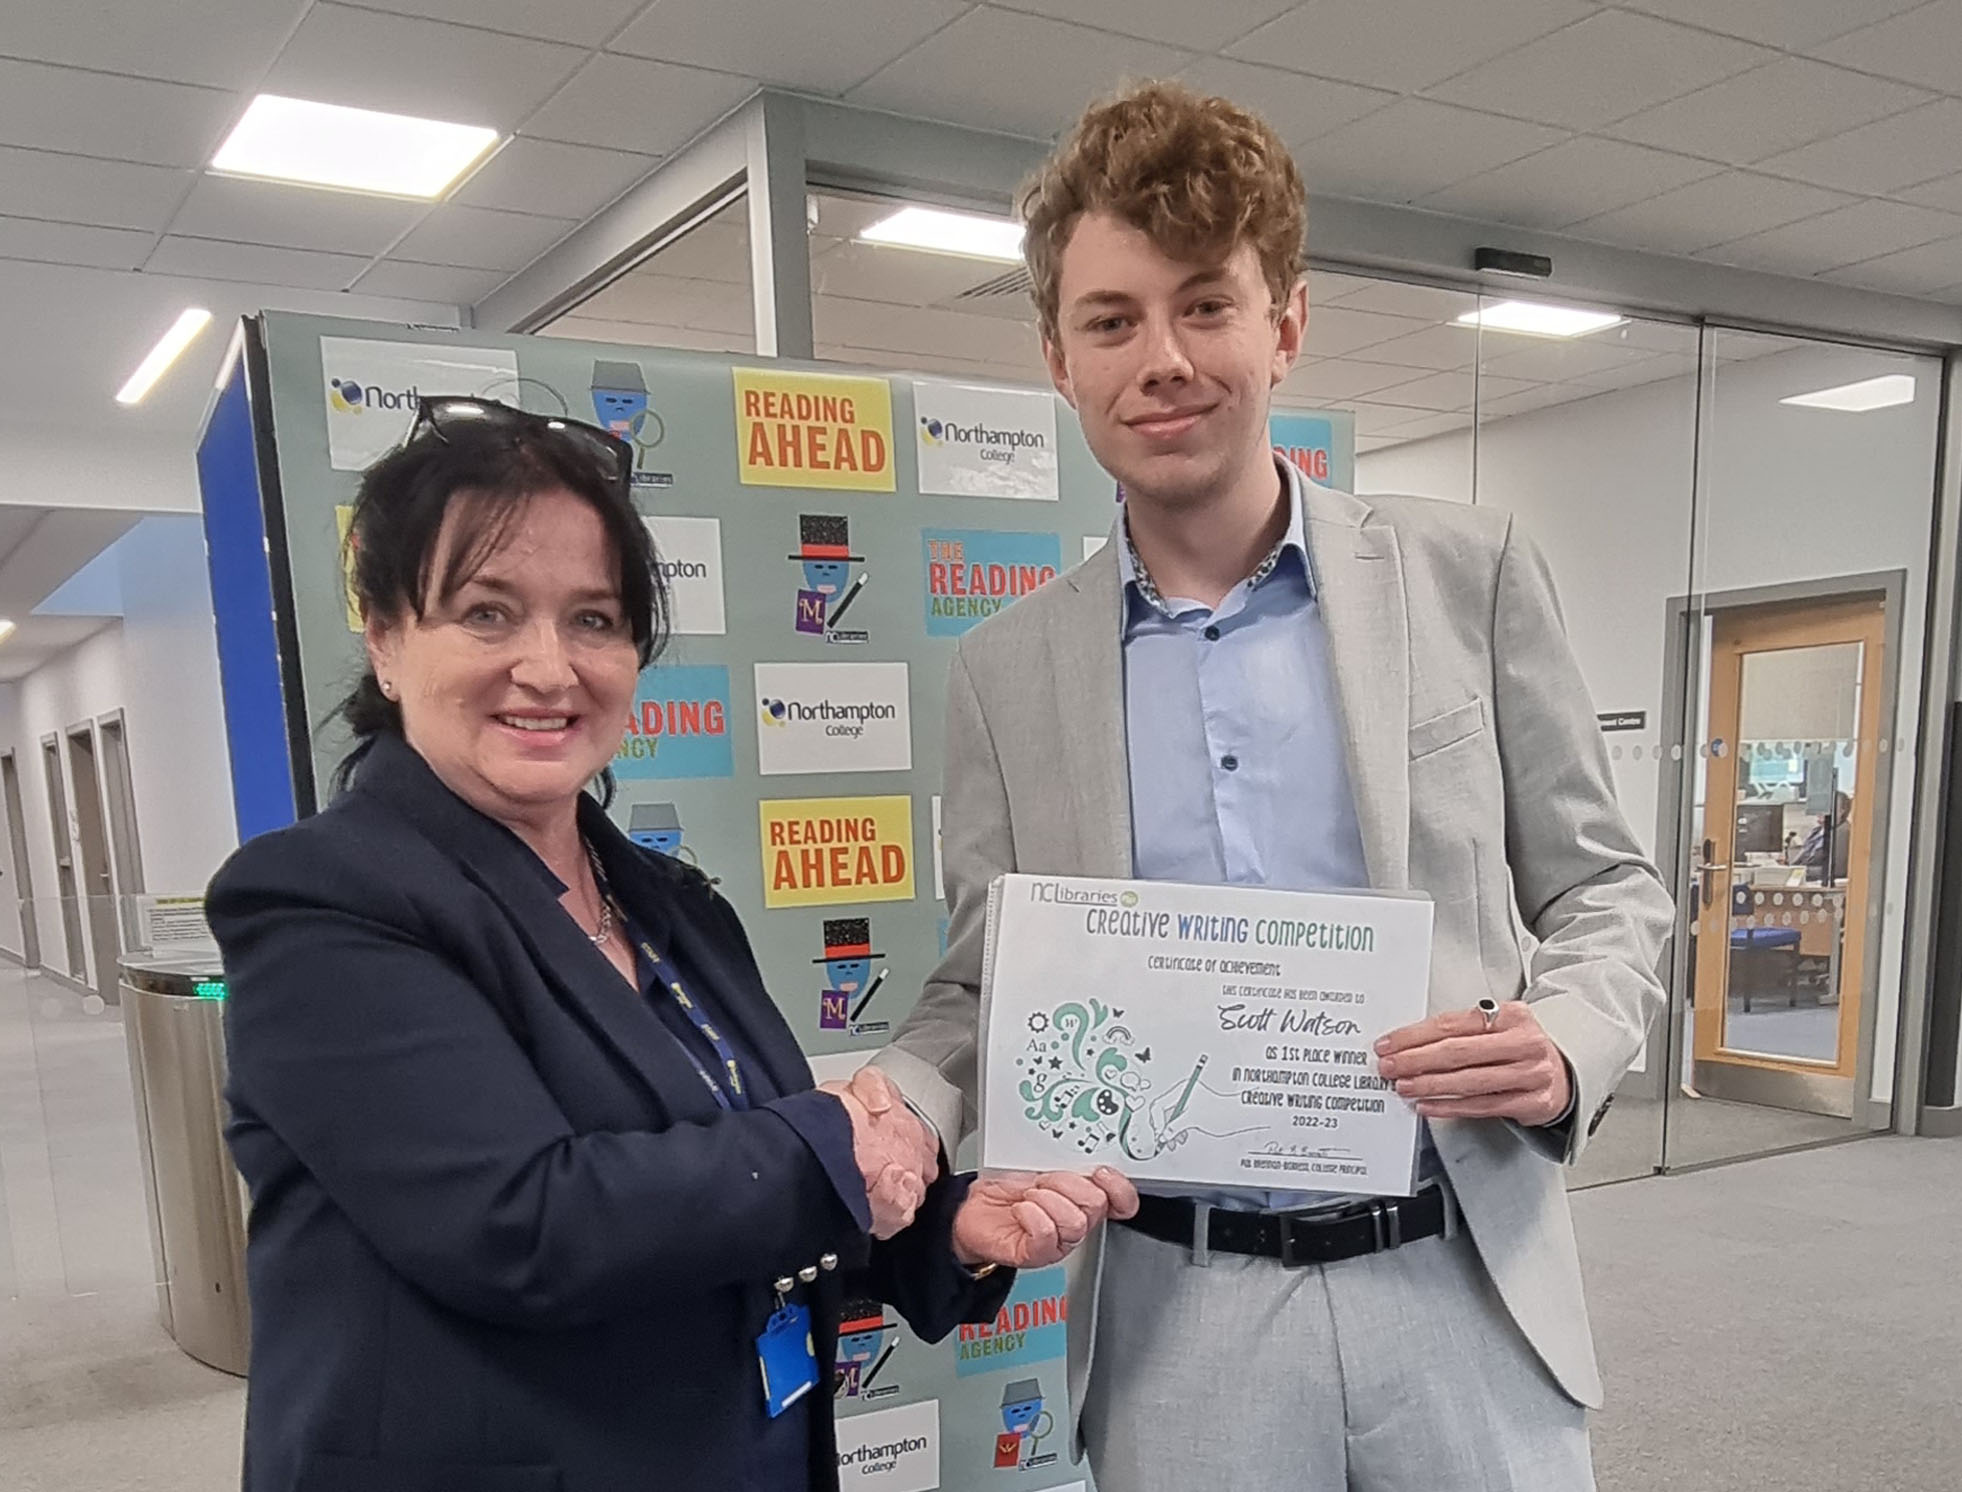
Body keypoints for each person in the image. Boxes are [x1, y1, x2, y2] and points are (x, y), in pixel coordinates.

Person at [857, 82, 1676, 1490]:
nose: (1160, 358)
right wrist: (894, 1105)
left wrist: (1563, 1041)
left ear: (1283, 324)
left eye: (1205, 306)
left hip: (1462, 1281)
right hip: (1183, 1316)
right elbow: (987, 982)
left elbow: (1607, 889)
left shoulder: (1464, 577)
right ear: (1056, 356)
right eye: (1111, 320)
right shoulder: (1003, 673)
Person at [205, 397, 1135, 1492]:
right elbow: (523, 1223)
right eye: (489, 613)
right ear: (389, 641)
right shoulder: (323, 904)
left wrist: (946, 1229)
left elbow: (718, 1191)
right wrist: (840, 1149)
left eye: (594, 619)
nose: (550, 667)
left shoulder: (669, 903)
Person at [1795, 791, 1852, 883]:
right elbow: (1799, 860)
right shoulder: (1816, 831)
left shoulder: (1844, 832)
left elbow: (1837, 870)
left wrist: (1802, 871)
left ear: (1842, 811)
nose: (1821, 811)